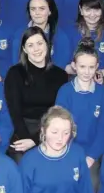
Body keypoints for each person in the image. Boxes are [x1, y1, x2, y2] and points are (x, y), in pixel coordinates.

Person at [19, 106, 100, 193]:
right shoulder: (29, 160)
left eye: (66, 132)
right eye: (54, 132)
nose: (60, 138)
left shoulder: (77, 154)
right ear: (43, 130)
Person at [55, 38, 104, 193]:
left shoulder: (103, 92)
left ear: (97, 67)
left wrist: (91, 156)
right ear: (74, 66)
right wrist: (69, 153)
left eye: (91, 67)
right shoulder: (65, 91)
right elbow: (59, 127)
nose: (87, 72)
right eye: (82, 66)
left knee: (91, 185)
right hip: (68, 148)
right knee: (64, 184)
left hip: (92, 151)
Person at [5, 26, 68, 163]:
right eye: (30, 45)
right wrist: (27, 139)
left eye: (40, 43)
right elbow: (15, 112)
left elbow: (60, 113)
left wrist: (37, 140)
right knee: (24, 162)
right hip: (23, 128)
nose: (36, 49)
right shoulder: (15, 73)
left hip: (52, 128)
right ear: (24, 49)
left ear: (47, 45)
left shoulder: (60, 75)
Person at [53, 0, 104, 78]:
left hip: (103, 78)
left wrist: (102, 73)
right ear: (81, 10)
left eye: (96, 9)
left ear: (102, 10)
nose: (92, 14)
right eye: (88, 10)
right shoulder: (67, 32)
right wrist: (86, 74)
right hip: (75, 79)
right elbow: (61, 65)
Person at [11, 0, 63, 65]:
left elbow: (60, 67)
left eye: (42, 8)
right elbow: (17, 65)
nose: (37, 13)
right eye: (33, 9)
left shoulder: (60, 35)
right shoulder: (19, 34)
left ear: (50, 11)